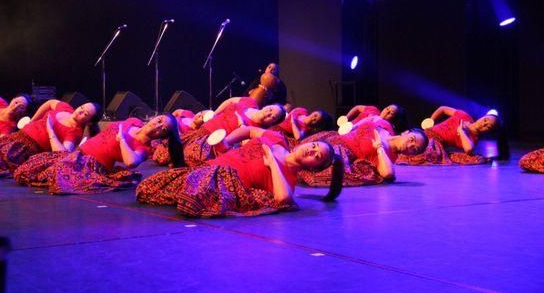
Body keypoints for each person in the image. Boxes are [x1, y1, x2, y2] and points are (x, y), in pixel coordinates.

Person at [136, 129, 342, 217]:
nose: (312, 151)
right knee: (146, 188)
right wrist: (228, 141)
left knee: (191, 201)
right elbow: (249, 129)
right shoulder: (277, 139)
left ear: (313, 167)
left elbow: (283, 199)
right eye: (314, 146)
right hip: (206, 168)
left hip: (220, 181)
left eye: (317, 156)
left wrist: (273, 164)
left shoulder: (286, 179)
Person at [13, 114, 184, 194]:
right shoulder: (133, 121)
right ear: (155, 117)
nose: (158, 126)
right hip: (77, 154)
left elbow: (131, 163)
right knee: (30, 168)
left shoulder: (144, 148)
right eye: (159, 120)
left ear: (163, 135)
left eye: (163, 129)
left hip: (90, 165)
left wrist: (122, 140)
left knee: (55, 176)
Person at [0, 100, 100, 178]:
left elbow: (63, 153)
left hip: (24, 148)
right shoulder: (66, 108)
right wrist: (33, 119)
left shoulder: (74, 132)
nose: (80, 111)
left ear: (88, 122)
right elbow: (50, 103)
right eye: (81, 107)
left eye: (85, 113)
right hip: (16, 137)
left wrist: (50, 129)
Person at [299, 118, 428, 187]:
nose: (410, 145)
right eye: (412, 139)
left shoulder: (388, 157)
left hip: (338, 151)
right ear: (406, 132)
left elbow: (388, 173)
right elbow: (368, 120)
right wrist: (351, 127)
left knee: (302, 160)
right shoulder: (383, 126)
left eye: (414, 149)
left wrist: (379, 147)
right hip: (333, 138)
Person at [169, 96, 286, 167]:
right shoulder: (250, 102)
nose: (268, 114)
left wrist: (242, 125)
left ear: (272, 123)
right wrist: (215, 113)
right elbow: (230, 101)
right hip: (204, 129)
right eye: (270, 109)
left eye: (273, 117)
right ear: (267, 105)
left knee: (181, 157)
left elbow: (244, 145)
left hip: (212, 142)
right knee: (166, 151)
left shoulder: (257, 130)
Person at [396, 106, 507, 165]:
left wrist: (461, 131)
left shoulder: (473, 139)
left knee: (428, 153)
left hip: (435, 144)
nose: (484, 123)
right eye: (486, 120)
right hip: (425, 135)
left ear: (488, 131)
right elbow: (442, 109)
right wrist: (431, 121)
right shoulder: (464, 115)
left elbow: (469, 150)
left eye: (488, 126)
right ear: (483, 117)